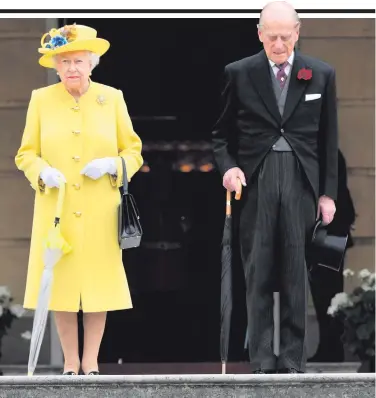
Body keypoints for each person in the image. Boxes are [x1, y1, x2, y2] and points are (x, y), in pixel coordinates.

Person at [212, 1, 338, 374]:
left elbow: (329, 136)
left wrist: (327, 193)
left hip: (301, 179)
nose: (279, 44)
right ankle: (264, 357)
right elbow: (221, 135)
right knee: (259, 268)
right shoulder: (239, 72)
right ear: (259, 34)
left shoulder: (320, 73)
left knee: (297, 269)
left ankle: (293, 357)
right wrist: (229, 168)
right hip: (257, 178)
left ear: (297, 33)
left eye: (285, 36)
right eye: (272, 37)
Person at [15, 24, 143, 375]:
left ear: (92, 63)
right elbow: (25, 154)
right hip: (56, 211)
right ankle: (70, 362)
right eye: (65, 60)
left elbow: (134, 152)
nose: (72, 67)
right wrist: (41, 172)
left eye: (79, 60)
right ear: (56, 66)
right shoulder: (41, 100)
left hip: (101, 208)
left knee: (98, 286)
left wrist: (111, 165)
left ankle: (91, 361)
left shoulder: (111, 97)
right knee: (62, 286)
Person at [309, 149, 356, 362]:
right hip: (330, 233)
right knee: (325, 295)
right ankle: (329, 347)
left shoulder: (329, 156)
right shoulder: (332, 155)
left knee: (327, 294)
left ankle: (332, 348)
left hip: (330, 234)